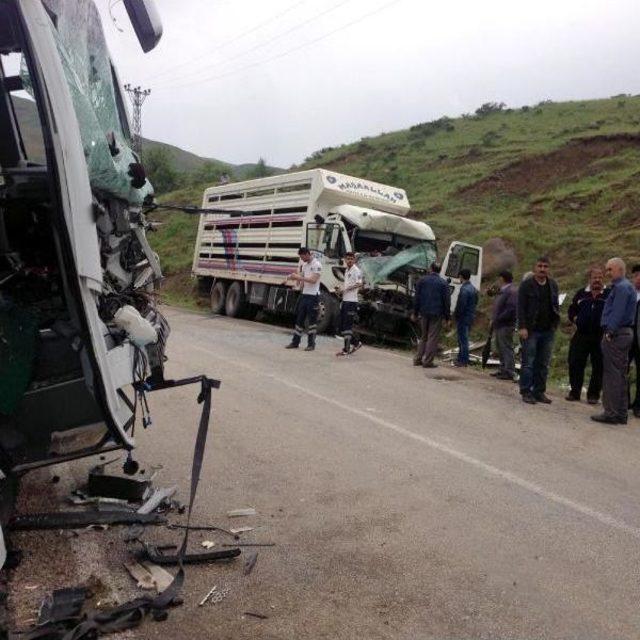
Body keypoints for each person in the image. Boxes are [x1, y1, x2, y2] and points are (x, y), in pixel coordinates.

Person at [591, 257, 637, 425]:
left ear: (619, 269)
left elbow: (617, 312)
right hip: (624, 333)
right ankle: (621, 412)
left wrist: (609, 331)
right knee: (620, 374)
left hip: (617, 334)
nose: (607, 273)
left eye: (610, 269)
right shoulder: (626, 287)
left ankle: (611, 412)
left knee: (612, 375)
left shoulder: (622, 288)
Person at [517, 256, 560, 404]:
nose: (542, 269)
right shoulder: (526, 285)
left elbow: (555, 305)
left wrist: (555, 324)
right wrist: (522, 326)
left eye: (545, 266)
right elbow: (520, 307)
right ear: (535, 268)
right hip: (531, 330)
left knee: (543, 363)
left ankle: (539, 391)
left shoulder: (553, 285)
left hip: (548, 330)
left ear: (549, 268)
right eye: (540, 266)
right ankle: (526, 391)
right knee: (528, 362)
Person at [565, 266, 609, 404]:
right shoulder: (581, 294)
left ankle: (593, 395)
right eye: (595, 277)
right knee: (575, 362)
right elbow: (571, 310)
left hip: (600, 335)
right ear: (589, 279)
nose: (597, 280)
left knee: (599, 365)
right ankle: (575, 392)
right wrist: (575, 319)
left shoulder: (608, 293)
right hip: (582, 334)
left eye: (600, 277)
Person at [411, 262, 450, 368]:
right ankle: (427, 361)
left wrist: (415, 313)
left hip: (423, 312)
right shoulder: (443, 283)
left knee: (423, 336)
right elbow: (446, 301)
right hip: (437, 314)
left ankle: (418, 359)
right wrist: (447, 318)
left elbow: (417, 298)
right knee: (432, 337)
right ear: (440, 270)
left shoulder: (422, 280)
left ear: (430, 269)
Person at [285, 247, 322, 351]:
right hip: (304, 295)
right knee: (299, 319)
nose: (302, 259)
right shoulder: (305, 265)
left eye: (302, 257)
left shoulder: (317, 265)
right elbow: (301, 276)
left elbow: (313, 280)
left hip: (313, 296)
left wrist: (299, 278)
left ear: (307, 254)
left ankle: (311, 344)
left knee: (312, 321)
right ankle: (295, 342)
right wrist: (291, 277)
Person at [491, 270, 518, 380]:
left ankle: (509, 371)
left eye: (499, 278)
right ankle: (502, 369)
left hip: (505, 324)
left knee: (506, 347)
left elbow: (511, 309)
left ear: (502, 278)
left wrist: (499, 317)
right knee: (500, 347)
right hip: (499, 323)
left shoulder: (511, 291)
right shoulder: (503, 290)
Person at [335, 252, 363, 356]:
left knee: (347, 326)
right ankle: (356, 343)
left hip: (352, 302)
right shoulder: (347, 270)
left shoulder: (357, 270)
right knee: (342, 326)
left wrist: (345, 289)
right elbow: (347, 286)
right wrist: (340, 291)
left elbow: (360, 283)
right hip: (345, 300)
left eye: (352, 259)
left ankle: (346, 349)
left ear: (354, 260)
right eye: (348, 259)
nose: (350, 260)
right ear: (345, 260)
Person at [453, 268, 478, 367]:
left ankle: (462, 360)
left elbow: (461, 305)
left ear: (461, 277)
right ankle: (462, 359)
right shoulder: (473, 289)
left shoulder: (464, 289)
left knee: (462, 339)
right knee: (464, 339)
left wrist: (456, 315)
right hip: (470, 316)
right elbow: (475, 303)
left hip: (463, 317)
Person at [629, 264, 640, 418]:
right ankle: (623, 401)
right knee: (621, 369)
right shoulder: (628, 293)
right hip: (626, 338)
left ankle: (638, 405)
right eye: (637, 275)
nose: (639, 278)